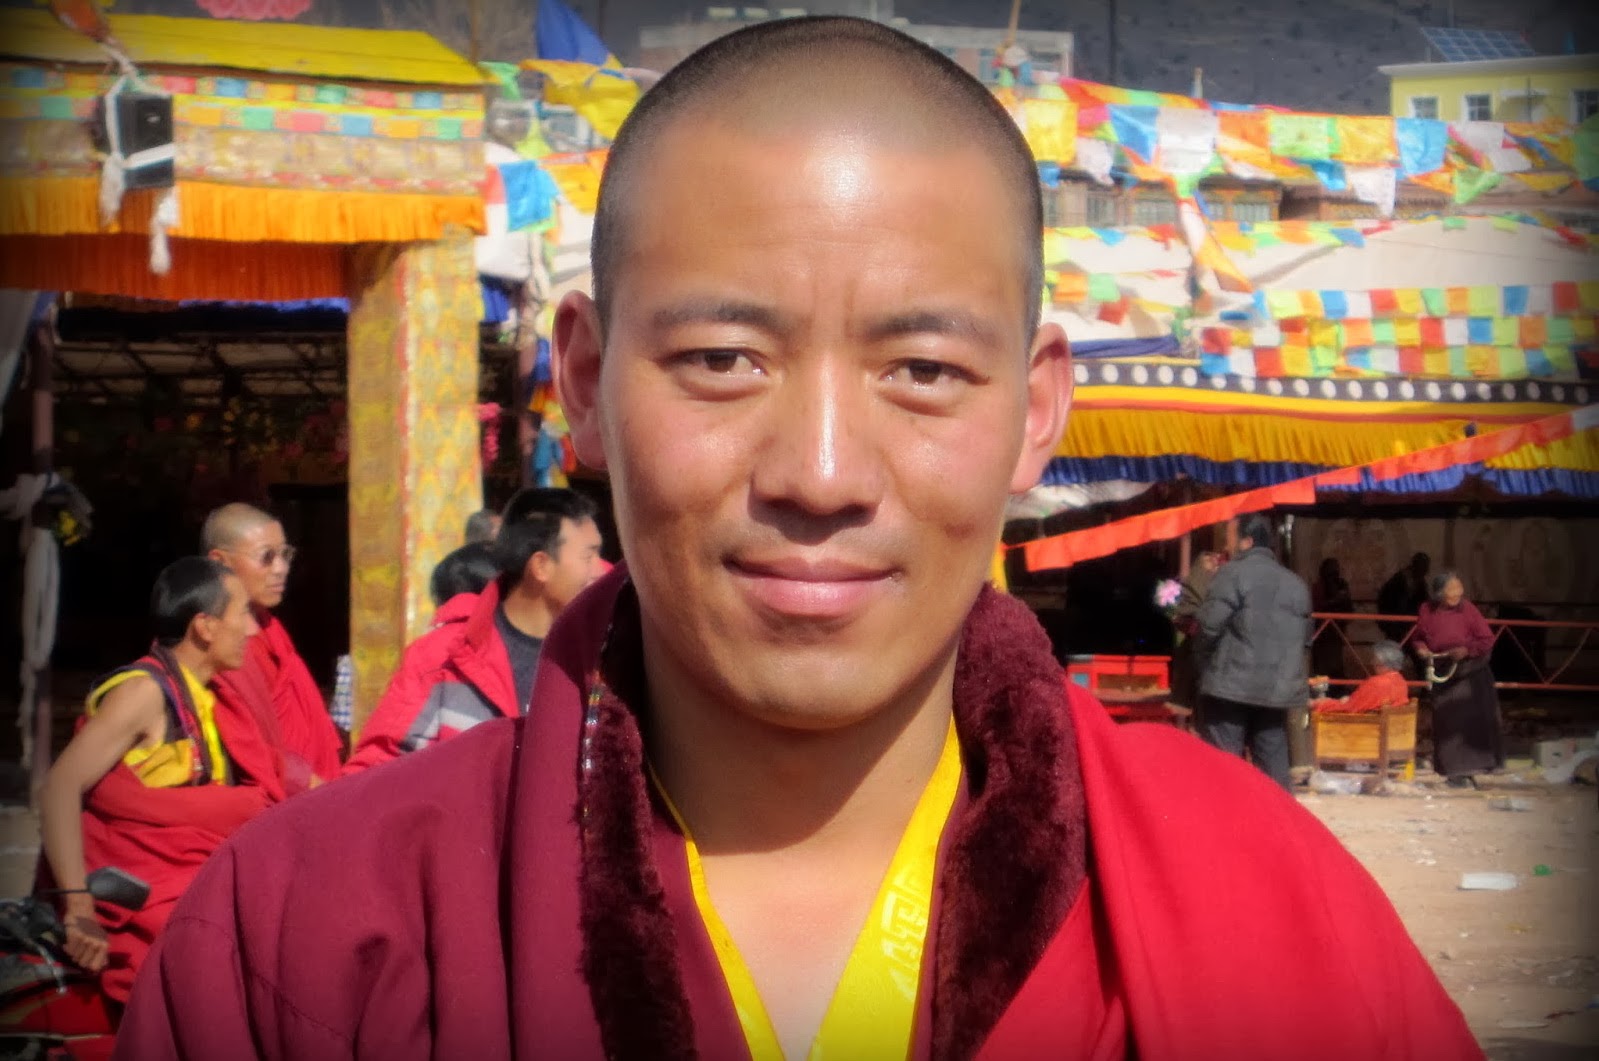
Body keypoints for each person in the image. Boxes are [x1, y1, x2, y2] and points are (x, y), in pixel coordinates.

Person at [118, 19, 1479, 1060]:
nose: (820, 475)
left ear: (1033, 412)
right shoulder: (307, 930)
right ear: (583, 381)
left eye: (924, 371)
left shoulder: (1263, 907)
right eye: (721, 357)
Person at [38, 558, 273, 1004]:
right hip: (139, 904)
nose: (252, 629)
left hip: (187, 886)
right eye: (243, 613)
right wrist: (78, 906)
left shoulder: (208, 697)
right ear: (205, 627)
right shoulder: (144, 692)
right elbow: (60, 787)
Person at [340, 488, 604, 774]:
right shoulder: (444, 658)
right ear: (541, 566)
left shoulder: (601, 660)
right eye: (588, 556)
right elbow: (376, 772)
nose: (600, 571)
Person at [203, 504, 343, 791]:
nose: (281, 569)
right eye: (266, 557)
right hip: (284, 795)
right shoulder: (213, 642)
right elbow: (248, 745)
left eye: (285, 555)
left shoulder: (269, 626)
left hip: (318, 786)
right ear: (220, 561)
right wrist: (317, 789)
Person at [1195, 514, 1313, 791]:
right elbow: (1305, 641)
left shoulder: (1231, 574)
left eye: (1229, 538)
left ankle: (1226, 817)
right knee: (1273, 768)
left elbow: (1208, 627)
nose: (1226, 545)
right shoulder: (1296, 583)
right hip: (1277, 690)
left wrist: (1203, 668)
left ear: (1246, 542)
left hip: (1230, 688)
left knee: (1224, 768)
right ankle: (1278, 817)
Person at [1413, 571, 1502, 788]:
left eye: (1458, 588)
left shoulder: (1468, 609)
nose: (1456, 593)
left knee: (1470, 723)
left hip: (1469, 673)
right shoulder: (1426, 610)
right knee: (1447, 724)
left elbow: (1487, 639)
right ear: (1438, 593)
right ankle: (1453, 772)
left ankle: (1472, 770)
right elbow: (1418, 637)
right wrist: (1422, 649)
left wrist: (1466, 650)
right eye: (1451, 589)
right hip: (1443, 673)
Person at [1168, 550, 1222, 714]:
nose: (1215, 565)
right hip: (1203, 652)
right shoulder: (1198, 582)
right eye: (1210, 562)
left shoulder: (1220, 584)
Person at [1313, 640, 1411, 714]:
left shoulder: (1377, 683)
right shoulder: (1401, 681)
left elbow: (1350, 708)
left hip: (1368, 729)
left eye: (1374, 659)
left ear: (1381, 663)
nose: (1372, 663)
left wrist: (1320, 704)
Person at [1310, 556, 1354, 681]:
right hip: (1322, 630)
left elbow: (1348, 605)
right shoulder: (1319, 586)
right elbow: (1316, 606)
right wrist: (1334, 600)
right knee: (1322, 664)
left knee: (1335, 662)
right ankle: (1324, 687)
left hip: (1336, 629)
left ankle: (1336, 686)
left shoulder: (1341, 584)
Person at [1378, 551, 1430, 644]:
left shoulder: (1420, 583)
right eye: (1423, 567)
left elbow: (1424, 602)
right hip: (1396, 625)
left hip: (1410, 626)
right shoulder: (1397, 581)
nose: (1425, 571)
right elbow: (1387, 601)